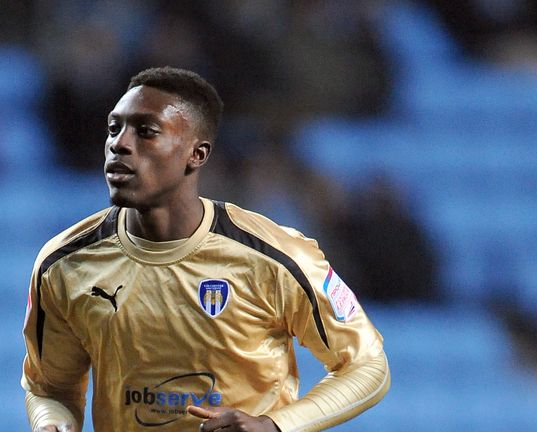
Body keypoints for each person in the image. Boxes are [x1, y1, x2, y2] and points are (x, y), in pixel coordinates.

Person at [20, 66, 390, 432]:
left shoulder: (274, 256)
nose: (119, 144)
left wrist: (275, 425)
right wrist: (52, 423)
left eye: (146, 132)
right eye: (114, 128)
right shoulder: (65, 264)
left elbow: (368, 365)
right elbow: (50, 389)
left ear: (196, 154)